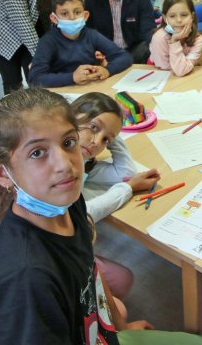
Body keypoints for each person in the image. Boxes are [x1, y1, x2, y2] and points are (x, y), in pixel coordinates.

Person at [0, 88, 202, 344]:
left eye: (68, 143)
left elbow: (91, 274)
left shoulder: (70, 203)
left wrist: (120, 326)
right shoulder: (24, 280)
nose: (66, 165)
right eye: (37, 153)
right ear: (1, 173)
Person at [70, 92, 160, 300]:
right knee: (121, 281)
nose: (95, 143)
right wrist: (127, 189)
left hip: (66, 246)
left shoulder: (85, 163)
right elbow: (82, 214)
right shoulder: (56, 164)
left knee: (122, 280)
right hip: (50, 252)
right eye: (93, 127)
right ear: (70, 115)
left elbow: (125, 172)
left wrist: (111, 132)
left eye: (105, 140)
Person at [28, 0, 132, 87]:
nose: (72, 17)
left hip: (90, 87)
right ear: (54, 18)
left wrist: (107, 70)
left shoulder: (92, 35)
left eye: (77, 12)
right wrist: (72, 77)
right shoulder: (47, 41)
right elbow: (35, 78)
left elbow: (124, 57)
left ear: (85, 16)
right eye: (64, 14)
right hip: (62, 92)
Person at [149, 0, 202, 77]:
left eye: (184, 15)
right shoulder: (159, 38)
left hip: (181, 77)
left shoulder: (199, 40)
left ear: (192, 16)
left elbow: (180, 71)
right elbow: (168, 70)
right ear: (165, 18)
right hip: (158, 73)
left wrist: (186, 66)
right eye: (172, 16)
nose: (179, 20)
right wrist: (175, 40)